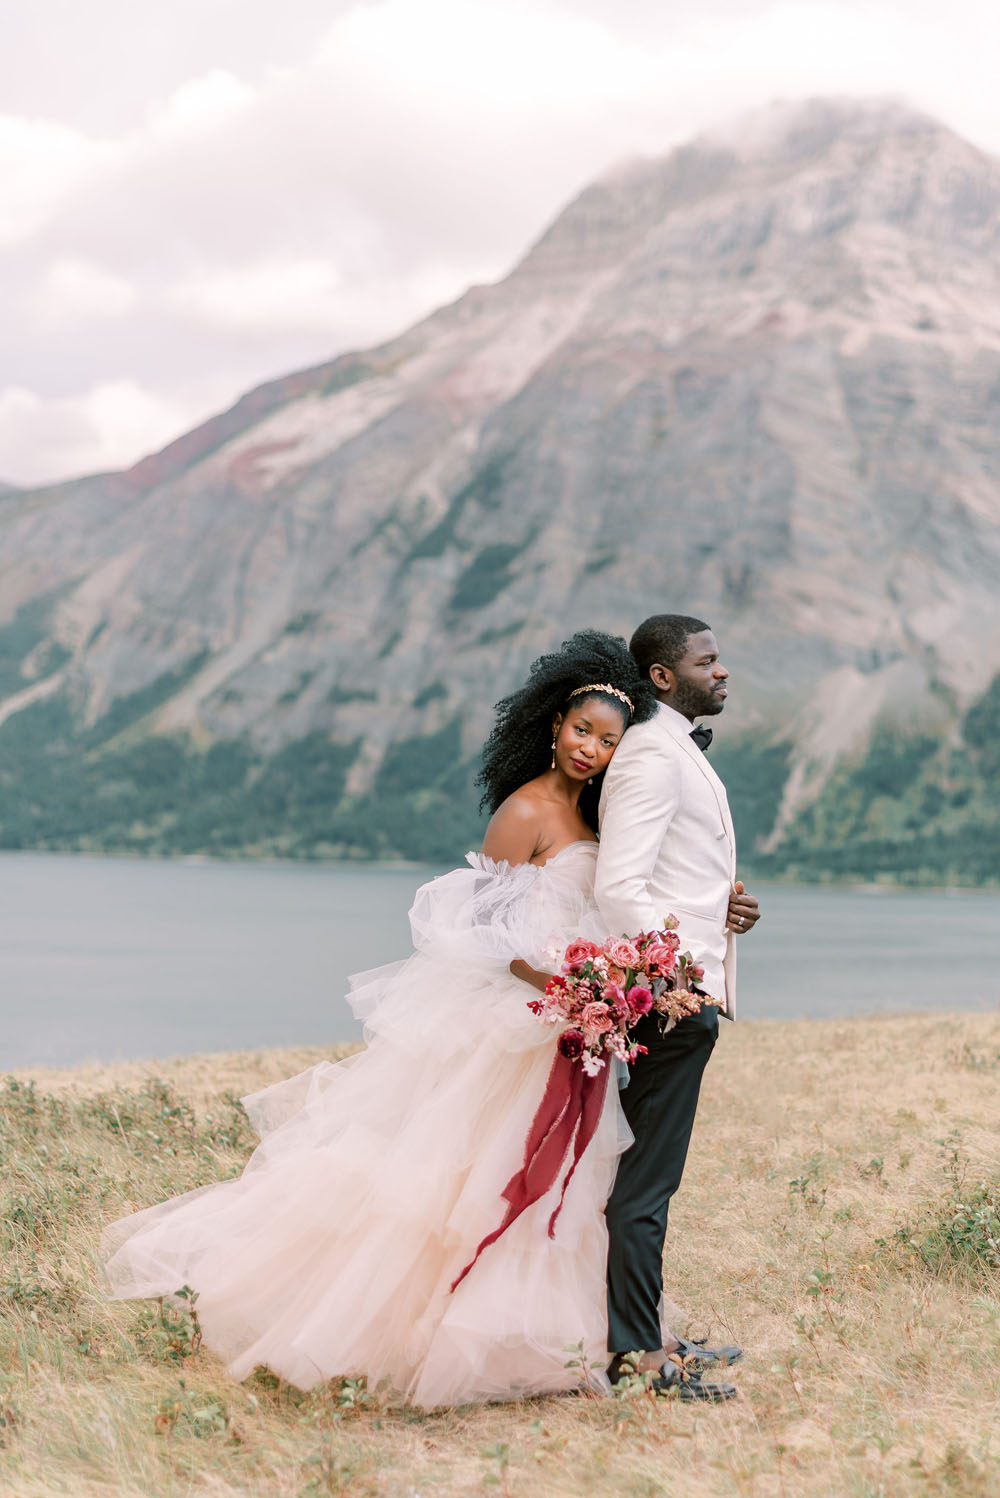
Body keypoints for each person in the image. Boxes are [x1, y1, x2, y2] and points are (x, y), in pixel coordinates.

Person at [101, 631, 658, 1408]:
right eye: (581, 730)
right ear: (555, 721)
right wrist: (565, 985)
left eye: (607, 741)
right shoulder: (524, 809)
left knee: (551, 1182)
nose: (589, 749)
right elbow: (483, 932)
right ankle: (405, 1327)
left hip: (567, 1026)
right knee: (463, 1179)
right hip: (520, 1022)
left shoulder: (594, 819)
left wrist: (601, 982)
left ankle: (534, 1335)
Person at [595, 614, 761, 1398]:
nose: (723, 671)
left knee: (649, 1183)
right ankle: (638, 1359)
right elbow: (618, 889)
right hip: (667, 998)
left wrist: (720, 910)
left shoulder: (673, 748)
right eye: (709, 660)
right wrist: (676, 980)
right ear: (663, 676)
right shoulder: (651, 757)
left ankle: (650, 1334)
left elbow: (666, 878)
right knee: (645, 1188)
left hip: (684, 984)